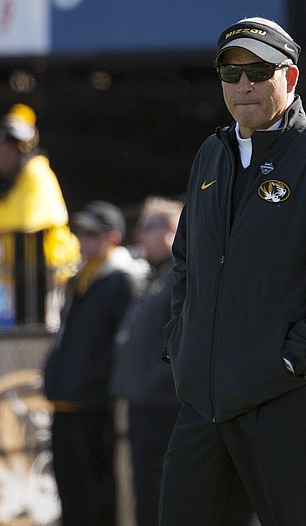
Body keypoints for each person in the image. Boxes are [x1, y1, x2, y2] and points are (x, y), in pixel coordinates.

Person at [159, 16, 306, 526]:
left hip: (293, 396)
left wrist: (288, 361)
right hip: (207, 400)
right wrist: (183, 346)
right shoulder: (210, 156)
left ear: (291, 77)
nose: (244, 85)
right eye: (231, 72)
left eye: (259, 71)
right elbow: (185, 265)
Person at [43, 200, 147, 526]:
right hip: (65, 403)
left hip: (94, 405)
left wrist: (96, 383)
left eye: (91, 233)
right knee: (69, 491)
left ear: (112, 238)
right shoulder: (79, 277)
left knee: (97, 490)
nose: (81, 239)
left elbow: (123, 344)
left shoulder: (123, 280)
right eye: (80, 232)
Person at [0, 103, 79, 327]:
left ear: (22, 152)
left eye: (8, 153)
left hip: (46, 271)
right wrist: (4, 214)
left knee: (46, 326)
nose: (1, 158)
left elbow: (28, 221)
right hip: (13, 271)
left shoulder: (37, 171)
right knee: (20, 329)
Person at [110, 196, 183, 526]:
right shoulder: (156, 276)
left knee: (162, 496)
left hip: (165, 408)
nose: (139, 236)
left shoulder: (182, 275)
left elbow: (184, 338)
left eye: (147, 227)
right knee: (145, 495)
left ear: (170, 230)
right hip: (145, 405)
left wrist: (158, 380)